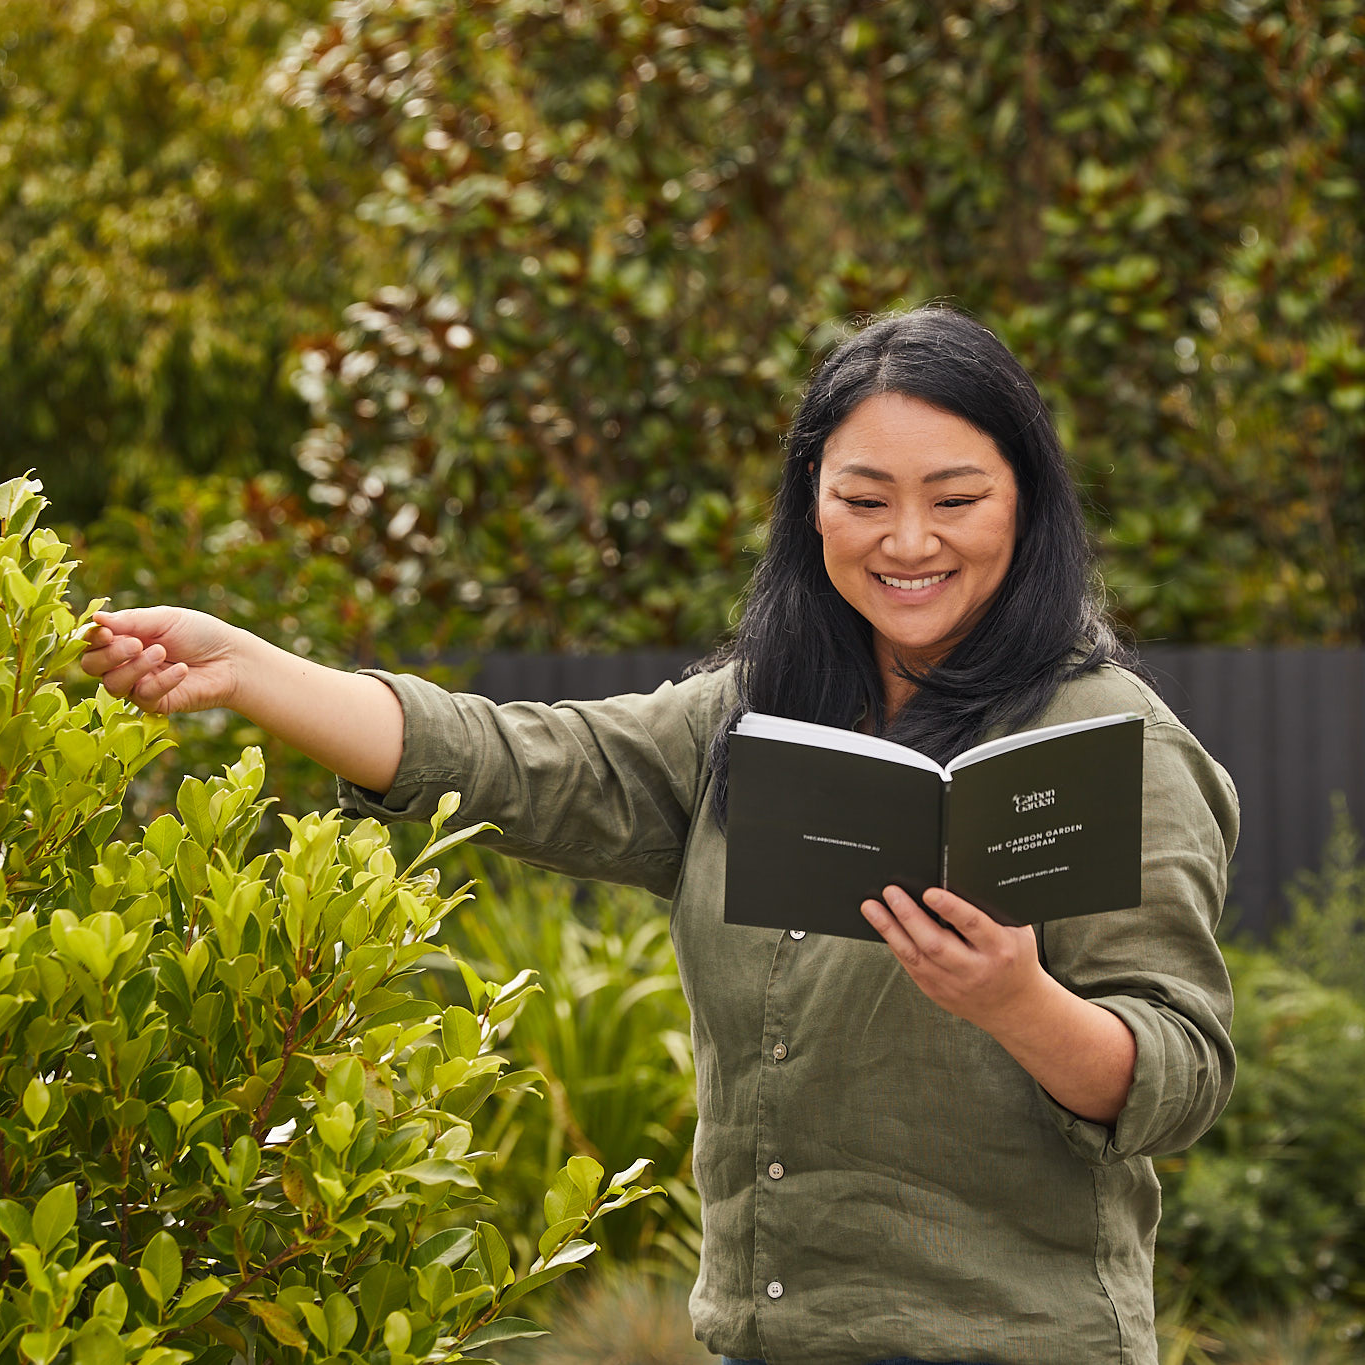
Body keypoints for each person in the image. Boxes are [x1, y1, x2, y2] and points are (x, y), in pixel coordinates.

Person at [82, 305, 1237, 1365]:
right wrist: (248, 669)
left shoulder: (1110, 741)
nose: (908, 540)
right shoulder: (752, 713)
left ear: (1025, 502)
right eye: (865, 497)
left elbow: (1181, 1074)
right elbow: (509, 759)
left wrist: (1016, 1003)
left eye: (956, 497)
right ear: (811, 502)